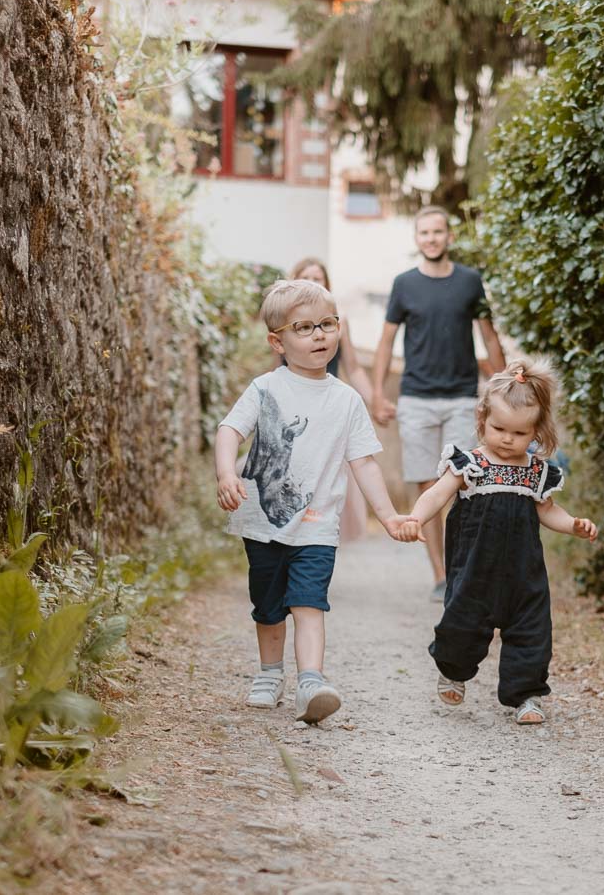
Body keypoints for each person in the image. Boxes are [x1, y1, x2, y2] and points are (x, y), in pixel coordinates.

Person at [216, 279, 408, 724]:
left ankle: (311, 682)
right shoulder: (265, 389)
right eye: (304, 328)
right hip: (262, 521)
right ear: (277, 342)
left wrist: (390, 515)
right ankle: (269, 673)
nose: (319, 334)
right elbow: (229, 431)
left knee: (309, 602)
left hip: (318, 525)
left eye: (327, 324)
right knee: (268, 605)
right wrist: (227, 473)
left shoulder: (346, 400)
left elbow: (365, 464)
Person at [397, 358, 598, 726]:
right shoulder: (469, 464)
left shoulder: (537, 472)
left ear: (536, 432)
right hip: (475, 568)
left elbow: (548, 511)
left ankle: (526, 695)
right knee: (463, 622)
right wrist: (415, 518)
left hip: (524, 571)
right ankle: (454, 671)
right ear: (482, 421)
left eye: (519, 434)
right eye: (498, 428)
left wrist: (574, 525)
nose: (507, 439)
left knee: (532, 629)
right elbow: (437, 494)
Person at [371, 206, 506, 603]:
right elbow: (385, 342)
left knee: (463, 486)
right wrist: (379, 393)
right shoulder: (404, 285)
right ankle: (440, 575)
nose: (431, 238)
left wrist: (501, 390)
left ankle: (462, 569)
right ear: (417, 239)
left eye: (437, 232)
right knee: (428, 485)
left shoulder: (470, 281)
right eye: (424, 233)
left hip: (463, 398)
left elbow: (490, 337)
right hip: (416, 399)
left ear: (449, 236)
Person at [288, 257, 377, 541]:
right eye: (307, 278)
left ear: (327, 285)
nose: (314, 283)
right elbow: (274, 366)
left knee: (325, 477)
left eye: (319, 278)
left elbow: (354, 368)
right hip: (293, 408)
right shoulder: (284, 322)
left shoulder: (339, 323)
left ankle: (316, 543)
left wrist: (374, 401)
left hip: (326, 408)